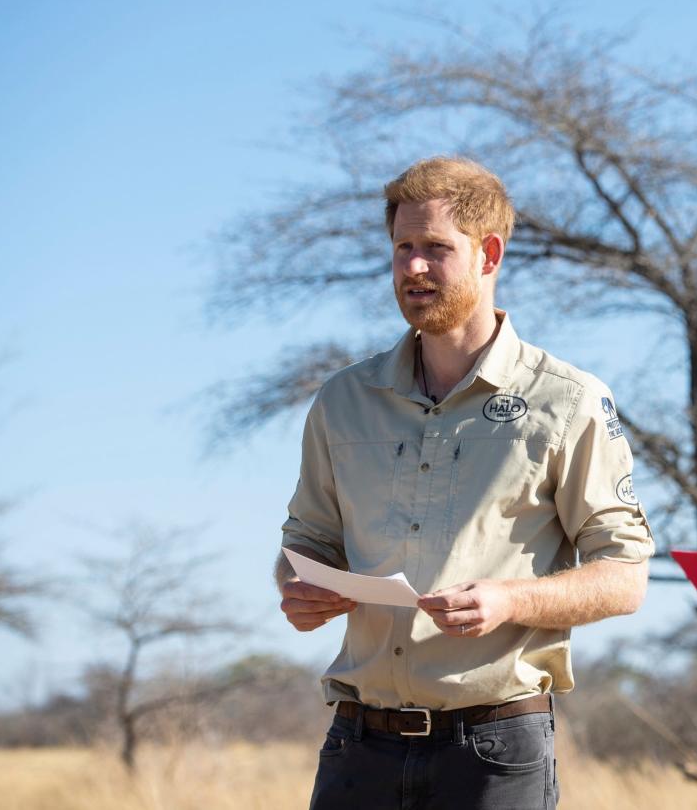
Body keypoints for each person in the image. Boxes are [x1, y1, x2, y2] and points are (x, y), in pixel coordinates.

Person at [274, 156, 654, 810]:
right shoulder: (342, 400)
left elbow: (625, 575)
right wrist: (298, 588)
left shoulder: (570, 401)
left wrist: (510, 601)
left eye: (435, 249)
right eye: (402, 248)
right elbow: (305, 540)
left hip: (494, 749)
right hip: (356, 747)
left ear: (489, 254)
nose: (413, 267)